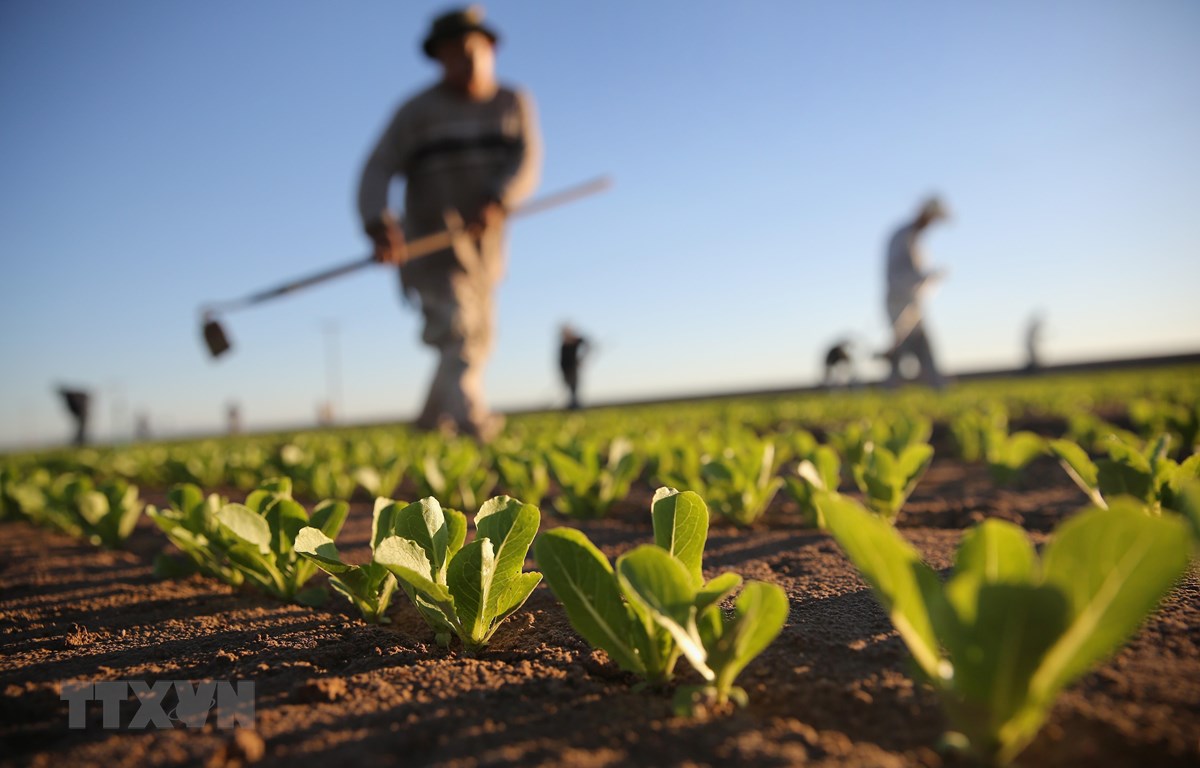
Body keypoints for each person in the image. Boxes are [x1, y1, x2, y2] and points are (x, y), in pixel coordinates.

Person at [358, 6, 542, 441]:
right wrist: (377, 221)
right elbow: (377, 168)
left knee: (477, 336)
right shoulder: (415, 113)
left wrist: (499, 197)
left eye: (474, 51)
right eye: (455, 53)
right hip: (430, 246)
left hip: (486, 249)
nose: (467, 61)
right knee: (457, 331)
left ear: (491, 49)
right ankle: (472, 422)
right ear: (438, 58)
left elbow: (526, 161)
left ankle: (428, 423)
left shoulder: (512, 103)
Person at [883, 197, 949, 388]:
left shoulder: (914, 238)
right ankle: (891, 391)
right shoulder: (903, 236)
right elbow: (900, 273)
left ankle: (938, 388)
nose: (932, 223)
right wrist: (928, 275)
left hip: (912, 302)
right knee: (902, 348)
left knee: (922, 346)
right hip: (899, 301)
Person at [559, 324, 589, 410]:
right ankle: (572, 404)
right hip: (566, 369)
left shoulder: (575, 341)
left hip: (573, 369)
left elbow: (586, 344)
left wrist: (581, 359)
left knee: (575, 387)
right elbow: (562, 361)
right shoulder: (564, 346)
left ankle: (575, 405)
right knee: (570, 387)